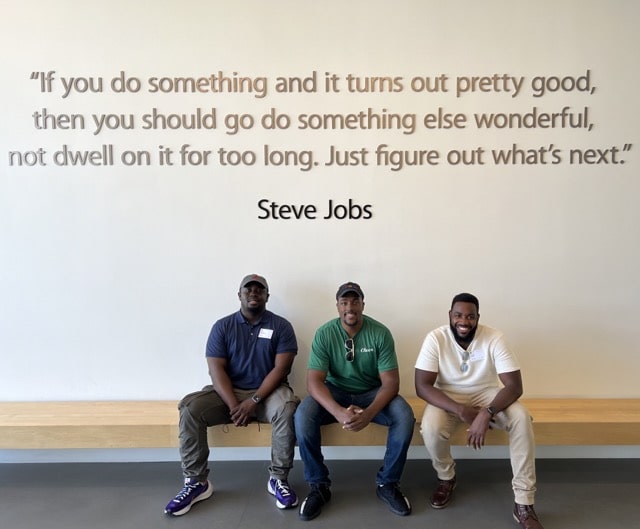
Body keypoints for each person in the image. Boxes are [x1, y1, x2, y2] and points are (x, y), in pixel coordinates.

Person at [164, 274, 300, 516]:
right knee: (190, 407)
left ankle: (278, 479)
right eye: (248, 289)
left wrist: (253, 401)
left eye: (260, 290)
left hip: (268, 394)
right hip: (229, 393)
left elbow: (281, 370)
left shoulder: (281, 327)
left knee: (287, 406)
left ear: (267, 296)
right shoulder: (222, 326)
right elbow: (215, 369)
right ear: (239, 295)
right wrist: (235, 404)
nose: (254, 293)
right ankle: (196, 482)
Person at [414, 293, 544, 529]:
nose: (464, 321)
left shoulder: (494, 337)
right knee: (430, 427)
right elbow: (422, 386)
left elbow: (514, 386)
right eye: (458, 315)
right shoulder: (436, 338)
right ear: (450, 316)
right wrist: (460, 410)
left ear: (477, 318)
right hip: (448, 395)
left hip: (487, 393)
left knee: (522, 418)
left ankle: (523, 502)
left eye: (470, 316)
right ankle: (446, 478)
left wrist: (487, 412)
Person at [294, 282, 415, 521]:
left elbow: (391, 383)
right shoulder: (325, 333)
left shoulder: (380, 332)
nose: (350, 307)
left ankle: (388, 484)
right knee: (302, 416)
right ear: (337, 306)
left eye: (355, 301)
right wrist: (338, 412)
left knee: (404, 415)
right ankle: (319, 485)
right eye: (344, 302)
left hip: (372, 392)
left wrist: (369, 413)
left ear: (363, 304)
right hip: (335, 392)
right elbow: (314, 382)